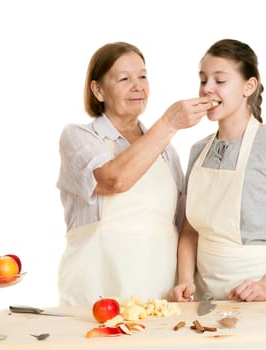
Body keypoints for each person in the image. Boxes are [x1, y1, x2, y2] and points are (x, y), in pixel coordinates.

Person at [57, 42, 212, 306]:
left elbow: (182, 224)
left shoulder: (166, 153)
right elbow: (114, 180)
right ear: (98, 90)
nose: (138, 86)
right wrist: (169, 123)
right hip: (96, 294)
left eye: (142, 76)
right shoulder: (79, 137)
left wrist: (184, 281)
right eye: (124, 78)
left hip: (159, 295)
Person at [169, 39, 266, 302]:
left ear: (248, 87)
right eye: (203, 80)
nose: (207, 89)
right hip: (203, 296)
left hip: (257, 292)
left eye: (220, 80)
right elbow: (190, 230)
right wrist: (184, 280)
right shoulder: (198, 150)